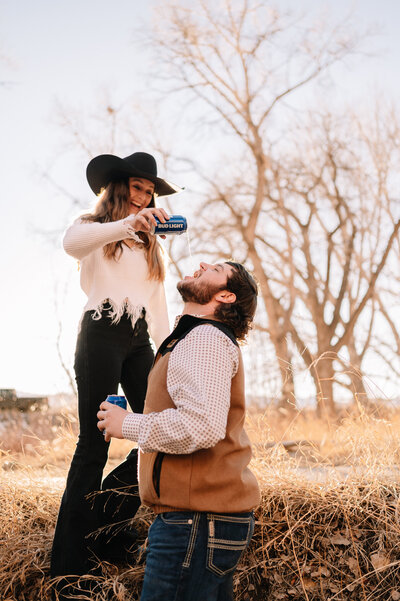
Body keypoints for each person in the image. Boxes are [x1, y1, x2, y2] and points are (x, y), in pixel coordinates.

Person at [51, 152, 182, 588]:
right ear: (119, 188)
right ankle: (67, 569)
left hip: (140, 339)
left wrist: (167, 356)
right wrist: (131, 224)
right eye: (138, 188)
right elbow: (70, 244)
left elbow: (158, 306)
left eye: (150, 191)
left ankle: (101, 526)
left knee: (157, 432)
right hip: (101, 330)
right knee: (94, 443)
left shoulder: (151, 246)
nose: (144, 198)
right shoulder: (93, 228)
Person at [97, 260, 261, 601]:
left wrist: (126, 423)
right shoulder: (193, 337)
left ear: (226, 296)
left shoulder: (203, 337)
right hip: (200, 520)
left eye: (215, 268)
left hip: (195, 523)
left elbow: (200, 426)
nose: (202, 264)